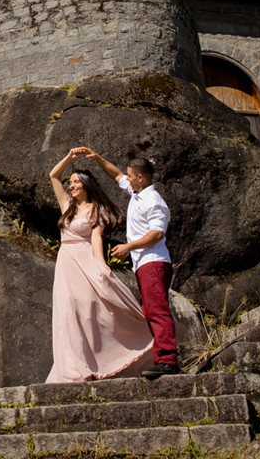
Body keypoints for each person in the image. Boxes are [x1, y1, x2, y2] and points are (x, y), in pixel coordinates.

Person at [44, 147, 154, 384]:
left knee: (90, 310)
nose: (71, 186)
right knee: (67, 311)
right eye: (70, 182)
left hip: (85, 259)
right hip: (66, 262)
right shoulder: (66, 205)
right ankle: (72, 367)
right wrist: (69, 158)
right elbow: (53, 176)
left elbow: (96, 239)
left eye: (75, 182)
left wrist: (102, 265)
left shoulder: (97, 210)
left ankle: (104, 357)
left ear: (85, 185)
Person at [77, 147, 179, 377]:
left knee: (157, 310)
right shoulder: (137, 193)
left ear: (140, 178)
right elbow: (116, 175)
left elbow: (157, 233)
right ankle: (163, 357)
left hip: (153, 262)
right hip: (143, 264)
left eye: (131, 175)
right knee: (150, 309)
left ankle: (168, 360)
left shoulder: (153, 200)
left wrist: (129, 247)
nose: (127, 178)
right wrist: (98, 157)